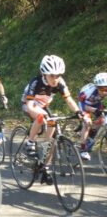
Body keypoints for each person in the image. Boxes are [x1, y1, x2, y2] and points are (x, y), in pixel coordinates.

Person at [21, 55, 83, 185]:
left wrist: (78, 112)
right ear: (44, 74)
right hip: (29, 105)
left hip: (43, 106)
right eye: (52, 76)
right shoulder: (36, 82)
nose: (55, 79)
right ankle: (30, 142)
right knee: (40, 116)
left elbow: (69, 99)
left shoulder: (60, 83)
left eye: (58, 75)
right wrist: (41, 113)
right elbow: (31, 106)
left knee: (51, 137)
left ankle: (45, 166)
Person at [78, 72, 107, 161]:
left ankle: (90, 136)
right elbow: (83, 105)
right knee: (87, 123)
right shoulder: (89, 92)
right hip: (84, 103)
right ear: (97, 87)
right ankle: (83, 150)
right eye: (101, 89)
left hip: (96, 103)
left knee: (102, 120)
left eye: (106, 89)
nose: (104, 92)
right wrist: (94, 111)